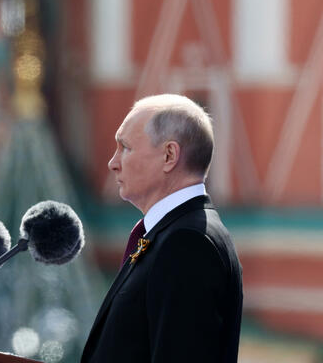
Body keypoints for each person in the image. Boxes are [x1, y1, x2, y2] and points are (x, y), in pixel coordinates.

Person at [81, 94, 243, 363]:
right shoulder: (171, 234)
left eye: (125, 148)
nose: (113, 162)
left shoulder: (188, 244)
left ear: (169, 155)